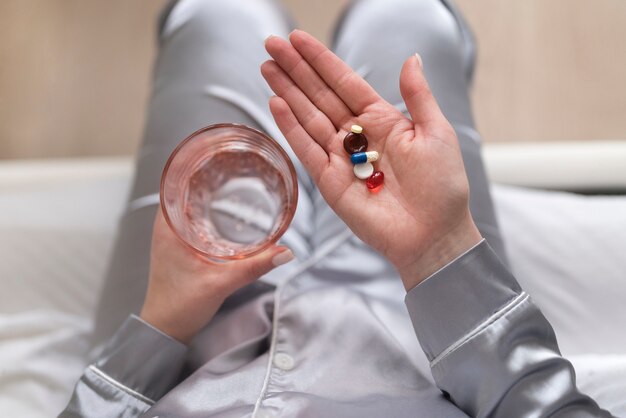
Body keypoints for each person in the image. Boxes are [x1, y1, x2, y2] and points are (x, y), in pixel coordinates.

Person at [60, 0, 615, 416]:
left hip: (185, 336)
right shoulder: (429, 249)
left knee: (215, 15)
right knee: (407, 14)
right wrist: (440, 249)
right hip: (422, 315)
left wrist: (161, 322)